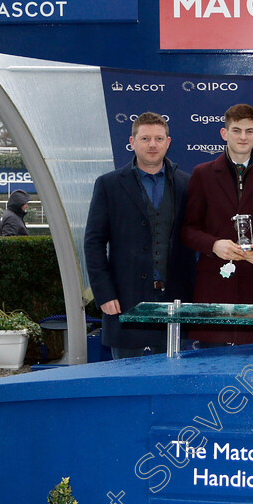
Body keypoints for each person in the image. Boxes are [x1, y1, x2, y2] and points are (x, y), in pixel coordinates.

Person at [84, 112, 195, 359]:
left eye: (158, 138)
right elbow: (93, 243)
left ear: (168, 142)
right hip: (125, 302)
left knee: (173, 385)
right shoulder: (108, 184)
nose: (152, 144)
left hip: (176, 304)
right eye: (145, 138)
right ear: (132, 142)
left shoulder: (188, 184)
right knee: (127, 386)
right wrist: (104, 293)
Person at [181, 104, 253, 344]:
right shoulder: (202, 174)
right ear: (224, 133)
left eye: (249, 131)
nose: (243, 137)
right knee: (210, 362)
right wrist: (213, 245)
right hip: (213, 284)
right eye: (237, 130)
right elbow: (188, 229)